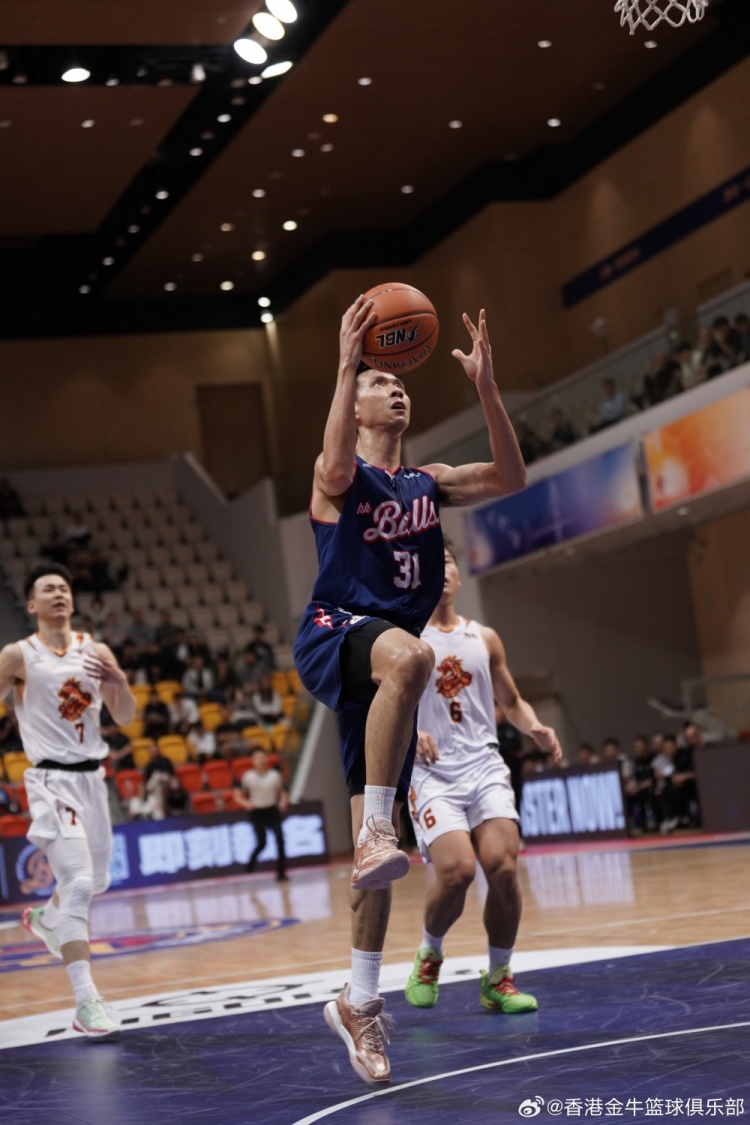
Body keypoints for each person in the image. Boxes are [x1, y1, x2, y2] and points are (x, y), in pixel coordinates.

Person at [293, 294, 527, 1084]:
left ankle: (358, 1002)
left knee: (377, 872)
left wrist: (487, 388)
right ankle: (376, 830)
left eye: (398, 382)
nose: (394, 388)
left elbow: (510, 475)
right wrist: (343, 363)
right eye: (377, 381)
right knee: (411, 660)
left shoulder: (428, 482)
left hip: (390, 664)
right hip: (337, 632)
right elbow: (331, 469)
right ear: (354, 403)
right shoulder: (338, 476)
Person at [404, 543, 562, 1014]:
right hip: (432, 774)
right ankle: (429, 953)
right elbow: (381, 706)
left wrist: (533, 724)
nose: (443, 570)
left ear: (458, 575)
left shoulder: (484, 637)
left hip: (484, 766)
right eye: (434, 563)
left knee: (504, 868)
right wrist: (411, 732)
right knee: (457, 872)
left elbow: (510, 701)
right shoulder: (405, 640)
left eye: (449, 562)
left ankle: (498, 977)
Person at [0, 562, 135, 1038]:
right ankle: (86, 1001)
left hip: (93, 781)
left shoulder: (95, 651)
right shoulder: (18, 654)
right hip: (50, 781)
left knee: (95, 882)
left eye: (63, 587)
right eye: (47, 589)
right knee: (77, 882)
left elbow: (126, 716)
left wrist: (118, 679)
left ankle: (47, 919)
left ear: (72, 600)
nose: (58, 593)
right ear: (31, 605)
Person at [233, 747, 289, 881]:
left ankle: (281, 873)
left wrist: (283, 801)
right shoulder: (248, 777)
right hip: (257, 812)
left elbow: (282, 792)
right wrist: (246, 803)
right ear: (253, 761)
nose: (261, 760)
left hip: (272, 810)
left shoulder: (275, 775)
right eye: (258, 758)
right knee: (262, 843)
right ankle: (250, 863)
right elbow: (237, 795)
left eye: (263, 757)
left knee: (280, 839)